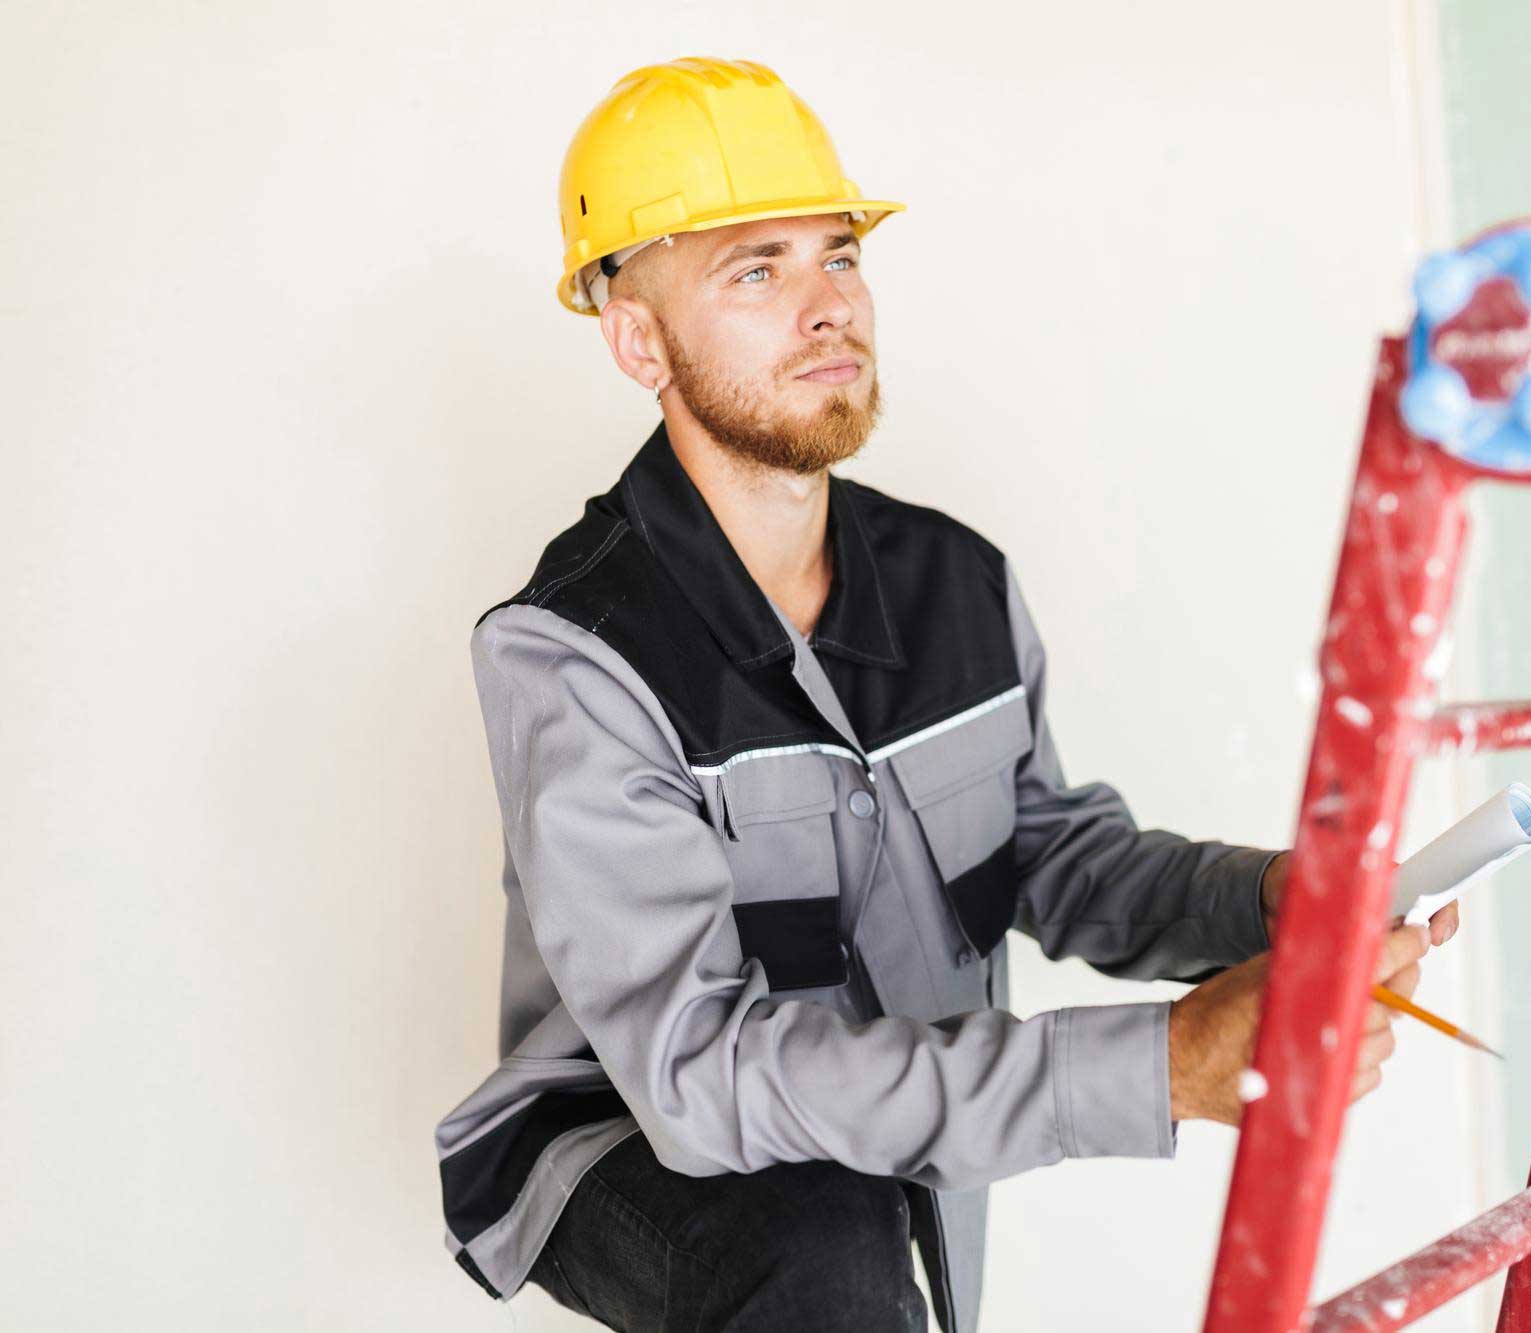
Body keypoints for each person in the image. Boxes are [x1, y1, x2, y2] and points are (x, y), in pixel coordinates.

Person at [432, 57, 1460, 1333]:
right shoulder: (575, 652)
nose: (827, 306)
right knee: (824, 1239)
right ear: (639, 339)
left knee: (857, 1229)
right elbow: (697, 1075)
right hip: (628, 1138)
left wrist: (1266, 901)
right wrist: (1155, 1068)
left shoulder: (955, 582)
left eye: (840, 256)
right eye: (756, 271)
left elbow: (1048, 855)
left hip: (881, 1134)